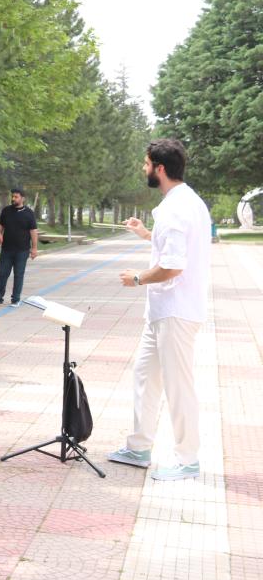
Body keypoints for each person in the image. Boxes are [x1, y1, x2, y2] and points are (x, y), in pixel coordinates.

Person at [108, 139, 212, 482]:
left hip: (175, 312)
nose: (143, 168)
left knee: (178, 385)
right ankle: (139, 447)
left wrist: (137, 278)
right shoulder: (186, 202)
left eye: (146, 163)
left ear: (160, 169)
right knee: (144, 376)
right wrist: (145, 234)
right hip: (164, 311)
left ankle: (188, 460)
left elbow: (172, 266)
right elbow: (172, 245)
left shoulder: (175, 209)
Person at [0, 188, 38, 307]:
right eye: (13, 196)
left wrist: (34, 248)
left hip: (22, 250)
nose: (13, 199)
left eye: (16, 197)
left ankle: (15, 299)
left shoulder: (29, 213)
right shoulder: (7, 211)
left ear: (23, 198)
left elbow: (33, 231)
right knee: (3, 274)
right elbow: (0, 224)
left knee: (18, 274)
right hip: (7, 249)